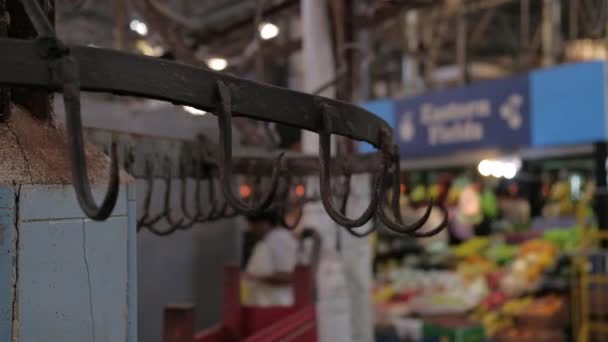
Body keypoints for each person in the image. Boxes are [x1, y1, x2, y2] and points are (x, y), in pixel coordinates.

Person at [243, 211, 298, 307]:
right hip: (263, 306)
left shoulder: (279, 239)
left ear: (265, 223)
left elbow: (290, 276)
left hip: (279, 305)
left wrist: (255, 278)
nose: (251, 229)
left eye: (253, 225)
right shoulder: (265, 241)